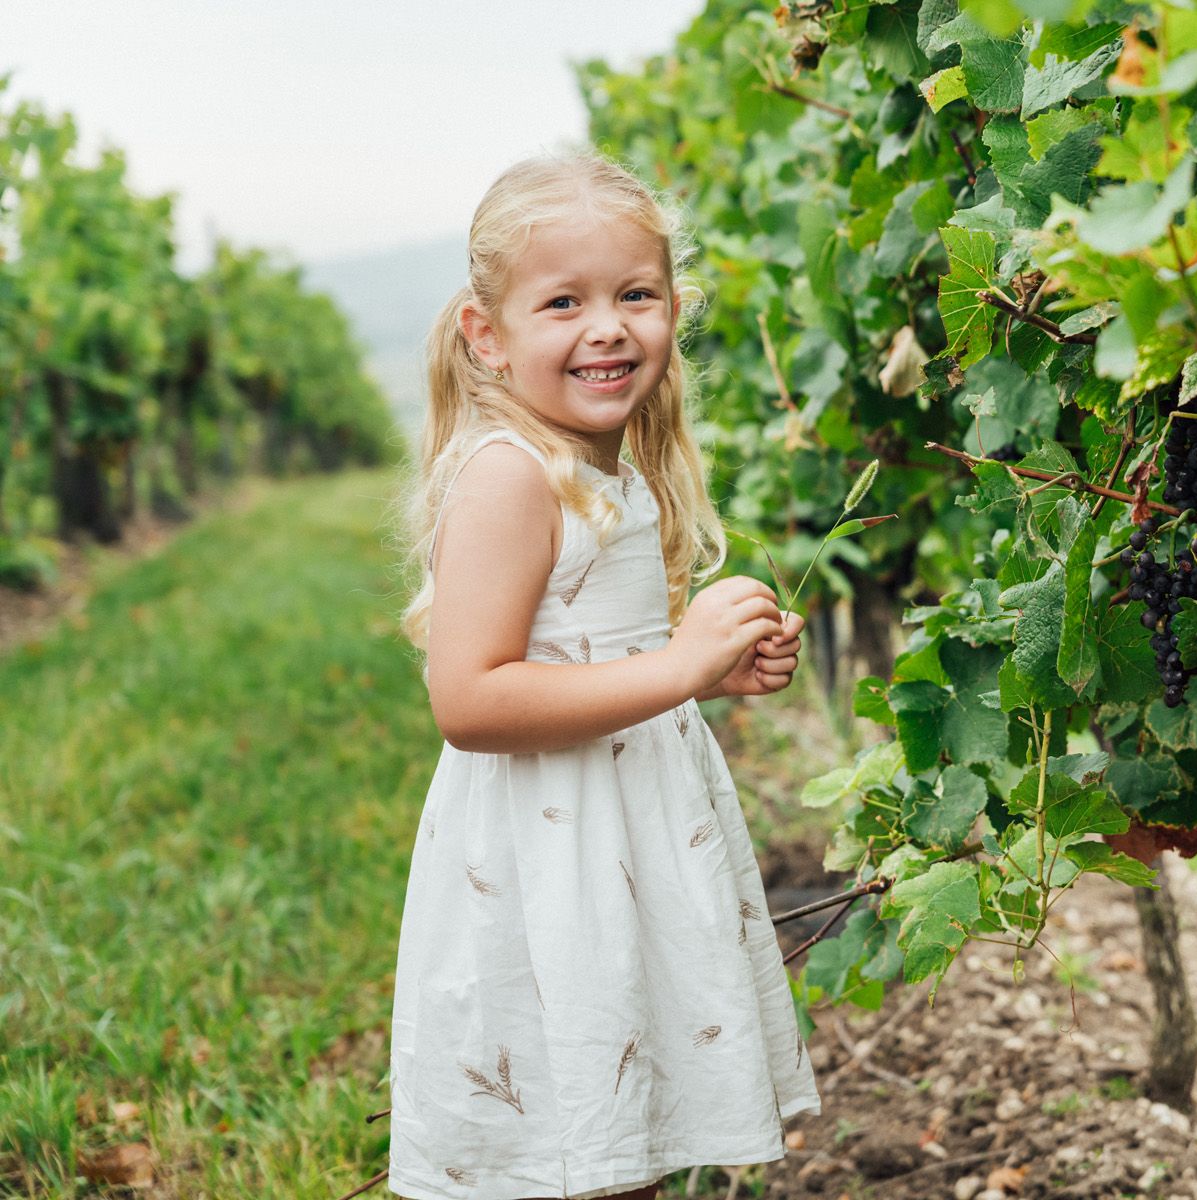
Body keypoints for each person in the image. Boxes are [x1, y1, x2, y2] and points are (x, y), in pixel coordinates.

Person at [384, 151, 821, 1200]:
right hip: (555, 852)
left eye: (636, 295)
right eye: (563, 303)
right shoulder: (510, 476)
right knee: (578, 1130)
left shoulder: (603, 468)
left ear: (674, 308)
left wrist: (707, 673)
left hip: (618, 835)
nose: (608, 327)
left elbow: (597, 661)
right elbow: (470, 700)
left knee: (623, 1132)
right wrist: (676, 664)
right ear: (487, 335)